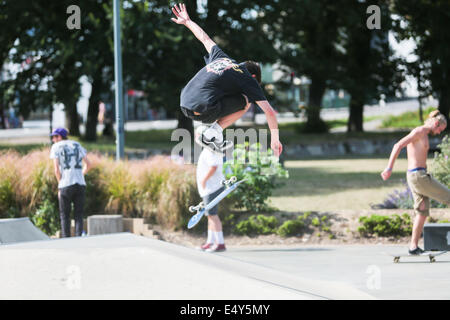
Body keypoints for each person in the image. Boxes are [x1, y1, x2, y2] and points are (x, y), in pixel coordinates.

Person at [171, 3, 282, 156]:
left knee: (222, 92)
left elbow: (205, 38)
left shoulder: (222, 58)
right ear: (254, 77)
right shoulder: (248, 78)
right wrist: (275, 140)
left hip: (184, 103)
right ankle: (210, 134)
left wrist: (187, 21)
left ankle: (208, 134)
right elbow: (269, 112)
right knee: (245, 102)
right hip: (204, 108)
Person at [381, 110, 450, 255]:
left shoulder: (423, 133)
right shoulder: (419, 131)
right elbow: (397, 146)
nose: (438, 133)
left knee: (422, 211)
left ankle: (413, 246)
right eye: (440, 130)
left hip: (415, 176)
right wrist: (389, 168)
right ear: (436, 123)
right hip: (419, 176)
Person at [50, 128, 91, 237]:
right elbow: (89, 164)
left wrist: (60, 186)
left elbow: (56, 170)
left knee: (64, 215)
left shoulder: (56, 147)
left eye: (54, 137)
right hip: (80, 183)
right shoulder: (77, 144)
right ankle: (78, 239)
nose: (53, 140)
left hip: (65, 183)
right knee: (79, 215)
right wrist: (80, 174)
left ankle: (66, 240)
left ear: (59, 137)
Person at [195, 126, 227, 252]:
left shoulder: (210, 151)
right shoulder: (210, 149)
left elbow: (213, 167)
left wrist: (204, 180)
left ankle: (220, 243)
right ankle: (210, 242)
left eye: (197, 135)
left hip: (212, 187)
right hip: (210, 188)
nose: (196, 137)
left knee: (213, 215)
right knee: (209, 215)